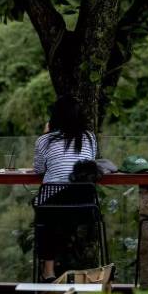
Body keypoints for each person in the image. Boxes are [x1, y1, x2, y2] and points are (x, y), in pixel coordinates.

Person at [33, 96, 98, 282]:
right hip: (84, 203)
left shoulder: (45, 140)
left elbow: (38, 169)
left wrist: (46, 134)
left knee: (46, 215)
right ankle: (77, 270)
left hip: (53, 205)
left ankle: (49, 271)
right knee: (60, 214)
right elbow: (87, 164)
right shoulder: (89, 138)